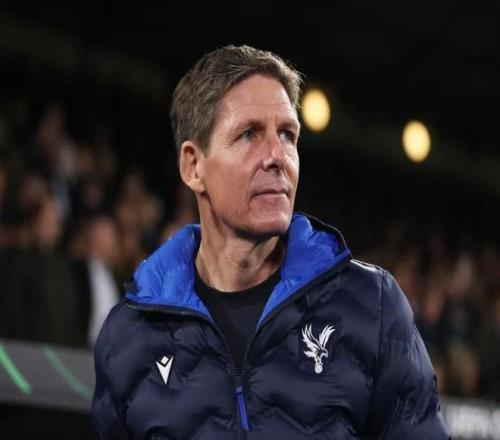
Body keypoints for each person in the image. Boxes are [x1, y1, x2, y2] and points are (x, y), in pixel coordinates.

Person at [92, 45, 450, 439]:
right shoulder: (128, 335)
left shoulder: (371, 305)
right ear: (193, 166)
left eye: (287, 135)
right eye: (249, 134)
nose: (278, 156)